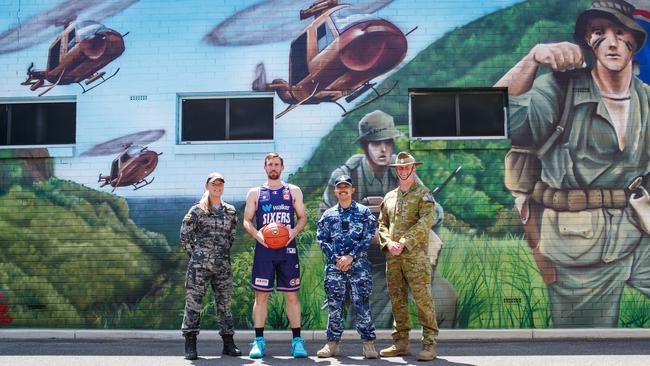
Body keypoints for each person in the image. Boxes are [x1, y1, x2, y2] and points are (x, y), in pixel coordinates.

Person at [496, 0, 650, 327]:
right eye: (599, 32)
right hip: (579, 245)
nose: (611, 41)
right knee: (584, 345)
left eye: (620, 33)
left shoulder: (646, 99)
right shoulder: (559, 90)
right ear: (588, 43)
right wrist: (531, 58)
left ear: (634, 42)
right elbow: (497, 115)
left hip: (640, 232)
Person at [320, 110, 458, 328]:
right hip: (365, 265)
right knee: (366, 323)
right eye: (376, 143)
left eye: (388, 142)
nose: (383, 149)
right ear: (365, 145)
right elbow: (326, 224)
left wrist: (403, 212)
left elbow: (434, 210)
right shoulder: (346, 175)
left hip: (405, 258)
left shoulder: (401, 170)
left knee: (446, 300)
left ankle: (431, 350)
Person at [242, 152, 308, 358]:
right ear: (265, 168)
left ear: (282, 167)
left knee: (291, 295)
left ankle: (297, 341)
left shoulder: (292, 190)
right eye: (269, 164)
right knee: (261, 296)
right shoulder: (255, 193)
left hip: (287, 250)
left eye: (276, 164)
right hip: (264, 250)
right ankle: (259, 341)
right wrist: (257, 233)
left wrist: (293, 232)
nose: (273, 167)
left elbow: (303, 217)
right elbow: (246, 220)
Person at [378, 152, 438, 361]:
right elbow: (382, 224)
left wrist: (404, 242)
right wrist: (388, 242)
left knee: (423, 300)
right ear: (396, 170)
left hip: (415, 258)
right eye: (400, 168)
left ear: (414, 169)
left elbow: (425, 223)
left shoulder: (423, 194)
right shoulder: (390, 197)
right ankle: (401, 343)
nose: (403, 171)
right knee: (397, 300)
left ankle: (429, 344)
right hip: (393, 258)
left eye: (407, 168)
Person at [180, 172, 241, 360]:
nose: (217, 187)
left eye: (220, 184)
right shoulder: (197, 210)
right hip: (199, 267)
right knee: (193, 304)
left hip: (222, 265)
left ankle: (228, 343)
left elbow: (231, 236)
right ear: (207, 186)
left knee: (224, 304)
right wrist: (198, 255)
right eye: (214, 184)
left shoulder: (230, 211)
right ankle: (190, 344)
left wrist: (219, 254)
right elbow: (185, 236)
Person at [316, 174, 378, 359]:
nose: (343, 189)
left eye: (346, 186)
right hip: (335, 269)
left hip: (358, 267)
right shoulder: (328, 215)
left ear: (352, 190)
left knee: (362, 305)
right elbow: (322, 239)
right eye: (339, 187)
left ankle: (368, 345)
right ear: (335, 191)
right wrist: (337, 259)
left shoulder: (363, 212)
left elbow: (368, 236)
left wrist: (351, 257)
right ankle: (332, 345)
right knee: (334, 307)